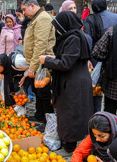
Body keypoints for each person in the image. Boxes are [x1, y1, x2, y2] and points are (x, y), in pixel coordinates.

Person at [39, 11, 93, 154]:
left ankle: (70, 143)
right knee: (68, 111)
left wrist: (48, 60)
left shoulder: (74, 38)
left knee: (71, 113)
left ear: (65, 25)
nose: (56, 30)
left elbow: (66, 63)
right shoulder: (70, 37)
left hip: (74, 83)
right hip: (72, 80)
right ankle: (69, 139)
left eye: (58, 26)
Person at [21, 0, 55, 122]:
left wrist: (33, 67)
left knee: (44, 92)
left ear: (32, 5)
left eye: (24, 9)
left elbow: (40, 45)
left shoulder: (42, 18)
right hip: (38, 62)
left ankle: (48, 119)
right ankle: (39, 114)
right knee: (38, 90)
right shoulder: (37, 18)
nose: (24, 13)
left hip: (42, 63)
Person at [83, 0, 117, 113]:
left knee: (96, 87)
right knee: (110, 87)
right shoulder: (116, 18)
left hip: (95, 57)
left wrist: (87, 58)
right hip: (112, 58)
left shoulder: (89, 19)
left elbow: (88, 39)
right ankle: (109, 115)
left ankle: (96, 113)